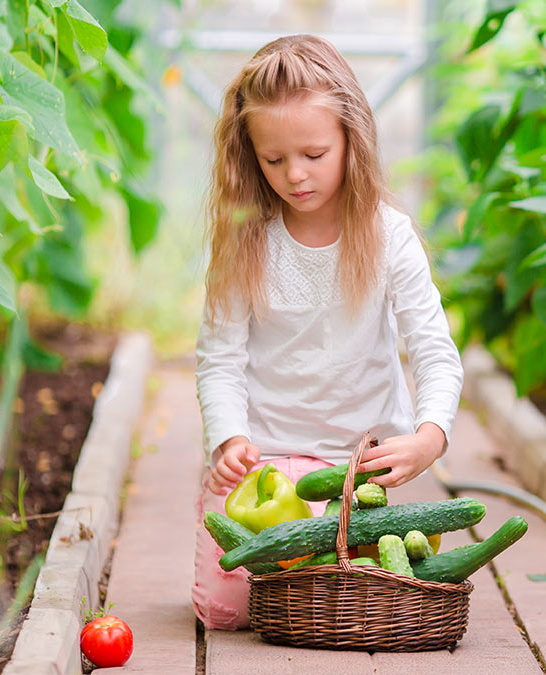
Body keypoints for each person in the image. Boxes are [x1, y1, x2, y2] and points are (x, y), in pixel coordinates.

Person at [190, 34, 463, 630]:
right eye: (273, 159)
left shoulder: (389, 235)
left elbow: (434, 350)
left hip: (354, 470)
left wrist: (430, 437)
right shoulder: (247, 240)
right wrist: (228, 440)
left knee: (350, 607)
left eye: (314, 154)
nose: (295, 175)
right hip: (268, 461)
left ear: (351, 140)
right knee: (226, 612)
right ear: (250, 155)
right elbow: (219, 359)